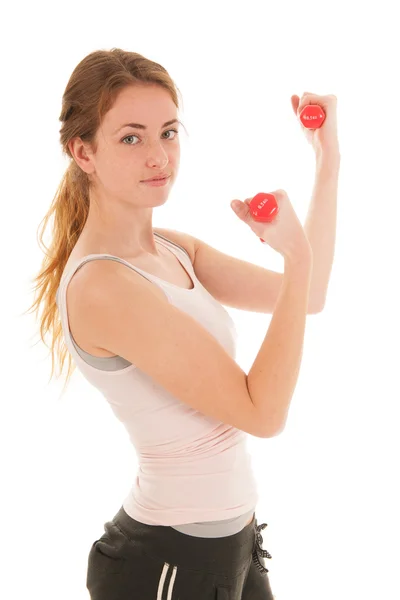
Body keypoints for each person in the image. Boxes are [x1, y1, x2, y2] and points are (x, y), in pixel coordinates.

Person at [27, 48, 314, 599]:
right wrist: (294, 260)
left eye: (169, 132)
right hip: (167, 563)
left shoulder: (171, 249)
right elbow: (263, 411)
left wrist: (327, 156)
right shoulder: (104, 286)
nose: (159, 155)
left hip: (236, 544)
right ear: (82, 151)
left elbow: (310, 297)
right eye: (131, 138)